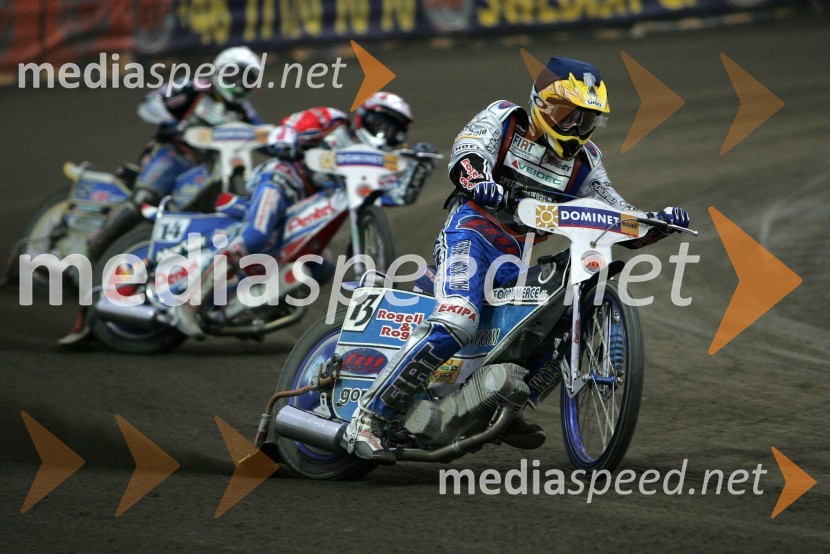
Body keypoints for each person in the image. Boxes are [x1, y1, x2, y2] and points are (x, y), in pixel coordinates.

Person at [341, 57, 691, 463]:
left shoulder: (587, 161)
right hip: (469, 235)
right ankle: (368, 418)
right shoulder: (504, 118)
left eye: (586, 120)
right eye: (567, 114)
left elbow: (615, 212)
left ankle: (497, 403)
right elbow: (466, 155)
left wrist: (656, 224)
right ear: (540, 105)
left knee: (557, 313)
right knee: (459, 318)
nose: (576, 128)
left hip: (515, 259)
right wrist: (481, 182)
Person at [169, 92, 436, 339]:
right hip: (283, 179)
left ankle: (248, 310)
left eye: (394, 129)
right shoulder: (332, 121)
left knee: (320, 268)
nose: (385, 133)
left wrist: (419, 168)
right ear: (365, 116)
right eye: (381, 123)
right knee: (254, 237)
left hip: (312, 206)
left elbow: (396, 196)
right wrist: (287, 142)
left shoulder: (380, 159)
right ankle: (189, 303)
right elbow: (288, 126)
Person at [86, 46, 265, 261]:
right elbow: (150, 104)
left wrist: (287, 141)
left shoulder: (243, 111)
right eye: (235, 74)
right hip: (171, 153)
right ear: (221, 70)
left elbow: (261, 136)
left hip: (205, 170)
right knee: (145, 197)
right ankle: (93, 247)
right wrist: (173, 122)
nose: (238, 82)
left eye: (247, 78)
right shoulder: (194, 87)